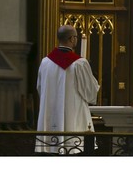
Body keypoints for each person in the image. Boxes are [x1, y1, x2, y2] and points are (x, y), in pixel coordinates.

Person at [35, 25, 100, 155]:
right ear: (71, 39)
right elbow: (90, 92)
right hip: (74, 118)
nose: (76, 40)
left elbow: (40, 88)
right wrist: (95, 86)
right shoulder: (80, 63)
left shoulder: (45, 62)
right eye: (75, 37)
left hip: (50, 116)